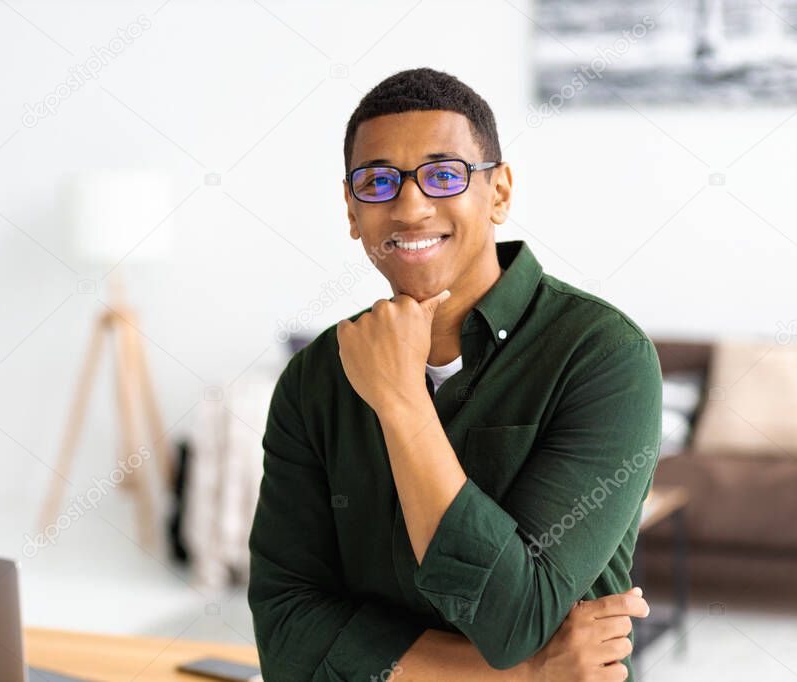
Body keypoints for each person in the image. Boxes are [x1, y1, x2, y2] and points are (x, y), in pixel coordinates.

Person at [247, 67, 662, 681]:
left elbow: (512, 620)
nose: (410, 206)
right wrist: (520, 676)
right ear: (352, 209)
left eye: (444, 175)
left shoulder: (603, 356)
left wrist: (400, 402)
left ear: (499, 193)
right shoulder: (316, 377)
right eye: (378, 181)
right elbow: (285, 626)